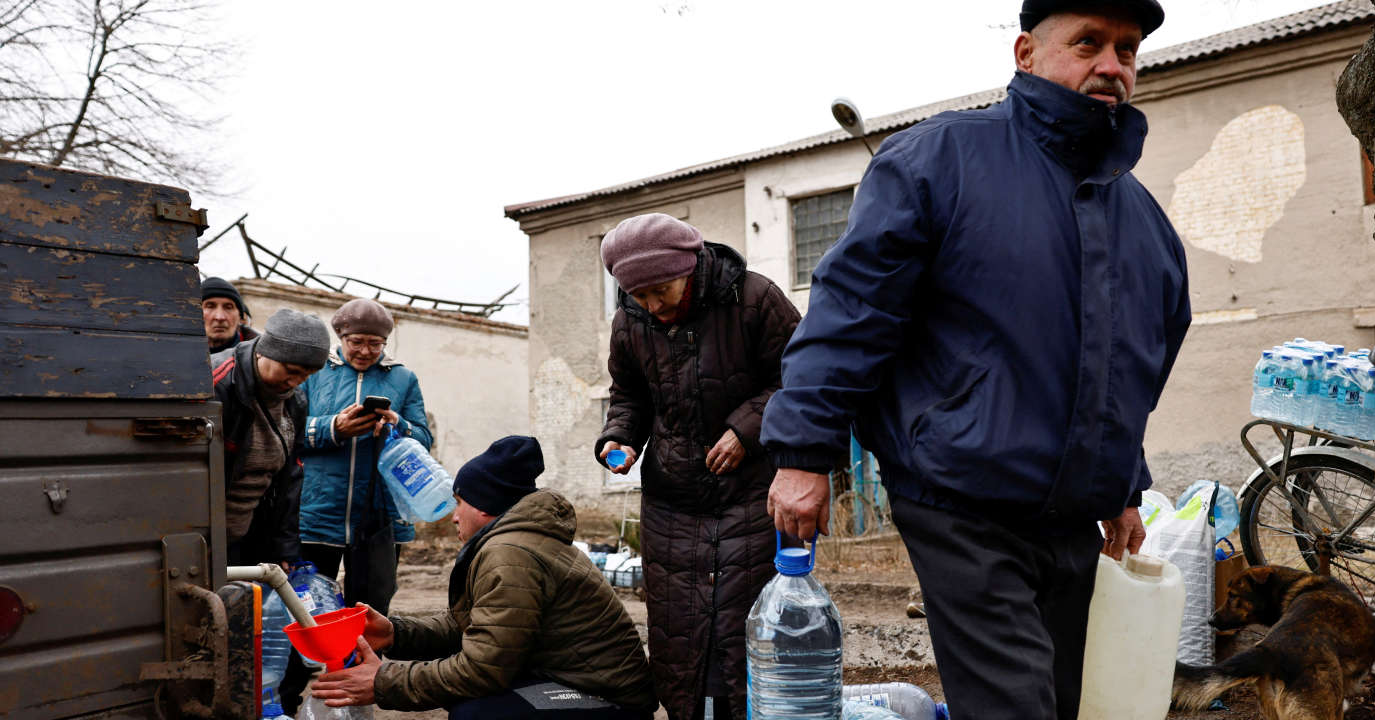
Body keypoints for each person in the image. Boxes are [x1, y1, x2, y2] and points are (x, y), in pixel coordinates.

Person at [760, 2, 1191, 719]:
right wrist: (804, 452)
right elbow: (852, 311)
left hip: (1071, 519)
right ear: (1026, 53)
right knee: (1013, 704)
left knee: (1074, 701)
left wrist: (1124, 483)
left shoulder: (1144, 220)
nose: (1111, 66)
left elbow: (1134, 365)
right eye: (1088, 44)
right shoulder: (940, 160)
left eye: (1127, 49)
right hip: (961, 497)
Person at [595, 213, 801, 720]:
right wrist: (618, 436)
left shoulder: (755, 298)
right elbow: (629, 396)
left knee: (747, 628)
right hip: (673, 503)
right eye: (639, 296)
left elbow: (800, 378)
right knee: (681, 635)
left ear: (690, 267)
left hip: (754, 496)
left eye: (662, 290)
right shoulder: (632, 322)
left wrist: (745, 430)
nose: (653, 306)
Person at [308, 436, 657, 719]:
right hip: (573, 680)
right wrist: (396, 633)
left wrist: (384, 681)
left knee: (476, 712)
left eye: (459, 502)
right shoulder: (515, 542)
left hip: (606, 698)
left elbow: (483, 669)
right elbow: (473, 628)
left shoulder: (511, 555)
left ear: (485, 506)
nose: (454, 516)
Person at [298, 298, 432, 616]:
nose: (365, 351)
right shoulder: (314, 373)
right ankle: (306, 668)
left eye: (375, 343)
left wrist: (397, 426)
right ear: (341, 339)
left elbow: (424, 440)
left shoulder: (403, 379)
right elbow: (286, 432)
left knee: (370, 609)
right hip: (317, 511)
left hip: (378, 515)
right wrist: (333, 428)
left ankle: (365, 667)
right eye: (356, 342)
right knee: (308, 608)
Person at [210, 307, 330, 568]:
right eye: (290, 370)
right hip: (204, 538)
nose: (295, 382)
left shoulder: (295, 401)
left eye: (306, 376)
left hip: (250, 536)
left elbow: (289, 479)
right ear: (266, 351)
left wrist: (283, 549)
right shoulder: (216, 384)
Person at [202, 276, 258, 354]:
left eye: (228, 307)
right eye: (210, 306)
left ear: (240, 317)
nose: (220, 317)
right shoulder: (180, 353)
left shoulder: (261, 357)